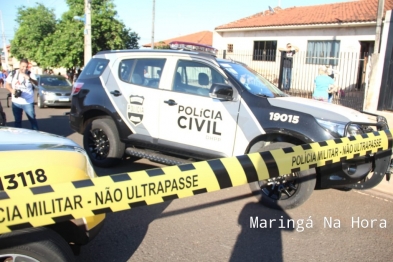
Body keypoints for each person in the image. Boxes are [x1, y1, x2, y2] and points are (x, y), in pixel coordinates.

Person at [5, 58, 39, 130]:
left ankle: (36, 136)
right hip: (16, 102)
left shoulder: (30, 74)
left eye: (26, 67)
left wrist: (29, 78)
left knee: (32, 120)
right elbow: (7, 84)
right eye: (23, 66)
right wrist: (12, 90)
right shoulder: (13, 73)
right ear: (20, 65)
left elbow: (37, 84)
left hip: (28, 102)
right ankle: (18, 138)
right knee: (17, 121)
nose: (24, 68)